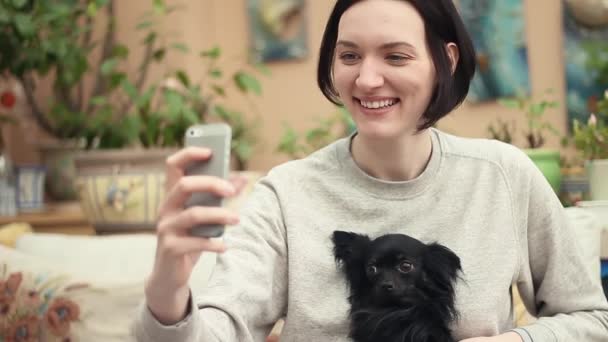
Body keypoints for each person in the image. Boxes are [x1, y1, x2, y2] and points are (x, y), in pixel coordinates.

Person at [133, 0, 608, 341]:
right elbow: (219, 332)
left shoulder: (502, 176)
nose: (366, 79)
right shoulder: (286, 194)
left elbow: (592, 318)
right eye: (349, 55)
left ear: (445, 60)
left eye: (396, 55)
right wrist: (167, 288)